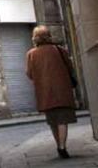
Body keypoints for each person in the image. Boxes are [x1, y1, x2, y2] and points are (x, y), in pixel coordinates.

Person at [26, 25, 77, 159]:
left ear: (35, 38)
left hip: (45, 93)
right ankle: (62, 146)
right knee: (62, 120)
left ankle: (58, 145)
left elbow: (30, 74)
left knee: (53, 120)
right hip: (62, 90)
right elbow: (70, 67)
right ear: (49, 36)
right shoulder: (60, 50)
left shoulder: (31, 54)